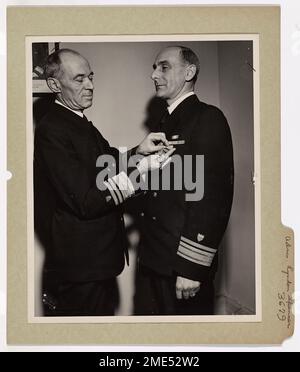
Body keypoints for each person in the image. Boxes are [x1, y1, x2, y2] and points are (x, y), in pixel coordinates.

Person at [34, 48, 173, 316]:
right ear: (54, 85)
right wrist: (139, 171)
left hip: (96, 263)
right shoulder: (52, 130)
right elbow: (85, 201)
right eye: (79, 79)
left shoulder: (76, 120)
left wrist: (137, 150)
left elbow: (105, 161)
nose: (90, 86)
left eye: (91, 77)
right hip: (81, 270)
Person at [134, 46, 234, 315]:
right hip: (154, 262)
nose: (154, 74)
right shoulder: (164, 123)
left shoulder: (207, 119)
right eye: (154, 68)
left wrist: (192, 268)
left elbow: (212, 200)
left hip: (181, 267)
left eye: (164, 67)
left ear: (189, 72)